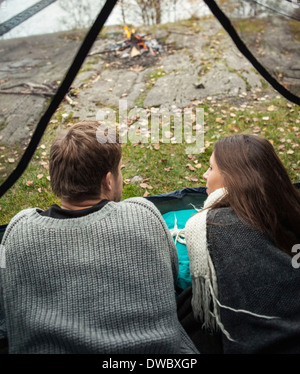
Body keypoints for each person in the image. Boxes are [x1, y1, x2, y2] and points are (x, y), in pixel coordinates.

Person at [0, 120, 198, 354]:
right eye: (120, 171)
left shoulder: (16, 232)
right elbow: (171, 272)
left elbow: (7, 297)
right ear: (108, 180)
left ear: (55, 178)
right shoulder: (143, 214)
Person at [177, 134, 300, 354]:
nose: (205, 174)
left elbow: (206, 308)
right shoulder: (291, 205)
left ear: (232, 177)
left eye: (211, 168)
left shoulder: (206, 224)